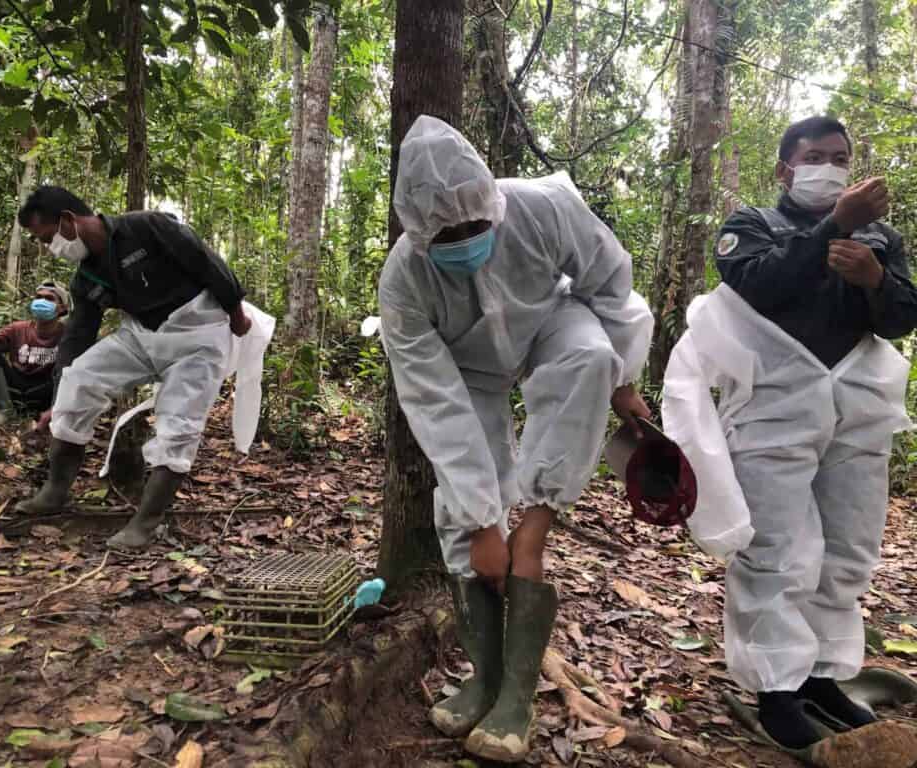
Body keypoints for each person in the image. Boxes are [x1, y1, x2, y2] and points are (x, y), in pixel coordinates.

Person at [379, 116, 654, 763]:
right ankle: (487, 680)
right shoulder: (404, 283)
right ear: (419, 233)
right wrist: (481, 524)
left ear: (493, 202)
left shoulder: (544, 208)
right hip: (466, 371)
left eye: (478, 226)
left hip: (550, 327)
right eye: (448, 236)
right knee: (461, 511)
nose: (468, 242)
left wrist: (624, 379)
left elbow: (612, 286)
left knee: (589, 358)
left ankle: (520, 688)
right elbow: (435, 405)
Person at [662, 116, 917, 751]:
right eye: (814, 156)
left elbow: (903, 318)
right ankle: (776, 688)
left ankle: (825, 675)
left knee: (847, 547)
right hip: (774, 406)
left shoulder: (881, 238)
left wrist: (876, 280)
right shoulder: (751, 227)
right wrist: (833, 227)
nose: (828, 166)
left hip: (857, 408)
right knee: (777, 547)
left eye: (839, 156)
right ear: (786, 168)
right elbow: (760, 285)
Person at [15, 186, 252, 549]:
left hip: (198, 334)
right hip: (140, 335)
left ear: (67, 221)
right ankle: (55, 491)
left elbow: (206, 261)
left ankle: (145, 522)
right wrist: (57, 399)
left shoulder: (146, 227)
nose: (50, 248)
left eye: (47, 238)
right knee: (79, 380)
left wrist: (236, 313)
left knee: (178, 426)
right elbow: (77, 337)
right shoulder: (87, 278)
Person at [0, 281, 69, 426]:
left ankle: (55, 413)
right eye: (38, 297)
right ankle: (4, 410)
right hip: (15, 389)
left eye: (49, 299)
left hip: (46, 393)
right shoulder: (18, 329)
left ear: (62, 308)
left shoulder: (68, 335)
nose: (41, 301)